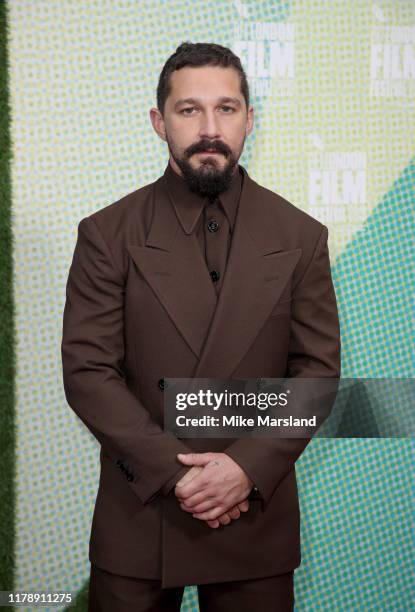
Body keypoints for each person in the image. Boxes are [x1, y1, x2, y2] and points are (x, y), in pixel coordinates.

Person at [61, 41, 341, 611]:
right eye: (190, 110)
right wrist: (179, 475)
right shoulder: (106, 234)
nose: (210, 127)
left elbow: (315, 374)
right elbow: (88, 372)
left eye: (227, 108)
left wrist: (244, 468)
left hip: (254, 521)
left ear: (249, 120)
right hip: (140, 521)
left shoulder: (302, 236)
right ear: (159, 123)